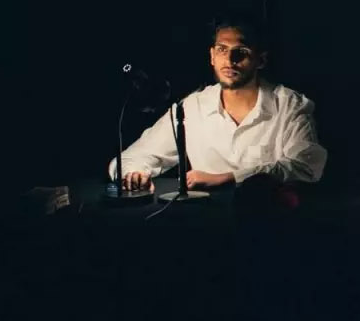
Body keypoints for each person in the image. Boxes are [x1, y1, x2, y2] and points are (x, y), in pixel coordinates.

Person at [111, 17, 327, 191]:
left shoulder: (290, 106)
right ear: (212, 56)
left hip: (272, 220)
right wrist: (135, 173)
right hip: (205, 222)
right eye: (222, 49)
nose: (230, 59)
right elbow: (130, 158)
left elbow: (306, 166)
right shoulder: (192, 107)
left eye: (241, 52)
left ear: (260, 60)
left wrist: (227, 178)